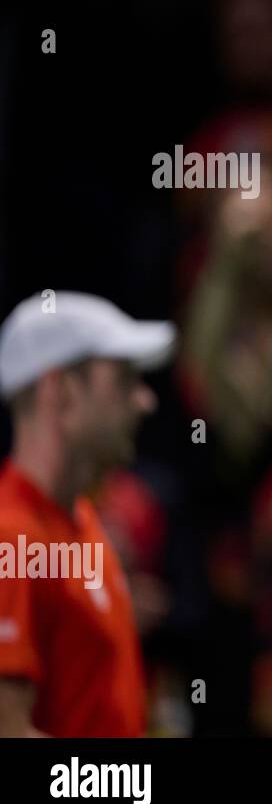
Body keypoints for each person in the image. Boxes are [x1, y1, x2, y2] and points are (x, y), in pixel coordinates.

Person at [0, 291, 175, 736]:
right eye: (123, 381)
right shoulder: (11, 539)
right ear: (60, 392)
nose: (144, 402)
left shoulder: (83, 520)